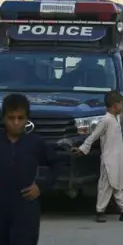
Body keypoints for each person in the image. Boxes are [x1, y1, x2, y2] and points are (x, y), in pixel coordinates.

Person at [1, 94, 61, 244]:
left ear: (27, 119)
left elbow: (57, 164)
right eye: (11, 118)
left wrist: (41, 186)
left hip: (25, 211)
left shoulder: (35, 143)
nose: (16, 123)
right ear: (3, 118)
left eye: (20, 118)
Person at [73, 92, 123, 223]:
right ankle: (100, 211)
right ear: (115, 106)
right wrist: (83, 148)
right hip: (108, 160)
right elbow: (93, 136)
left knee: (122, 184)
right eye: (120, 104)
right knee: (105, 186)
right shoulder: (106, 120)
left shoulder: (117, 118)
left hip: (119, 159)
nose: (122, 107)